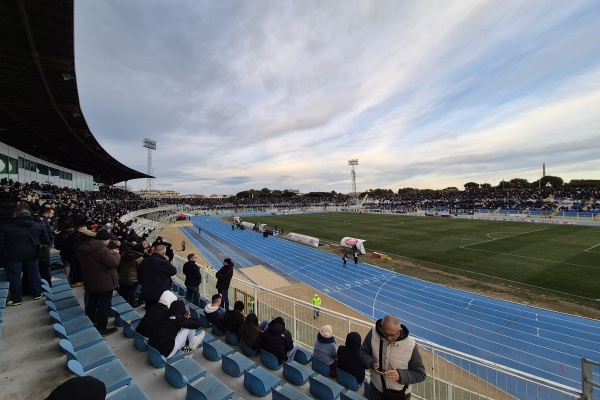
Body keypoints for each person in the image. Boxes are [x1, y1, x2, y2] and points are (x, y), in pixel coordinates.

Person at [359, 315, 426, 400]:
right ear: (381, 327)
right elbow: (362, 351)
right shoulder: (373, 333)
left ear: (400, 330)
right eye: (385, 334)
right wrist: (372, 363)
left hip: (399, 395)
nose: (389, 338)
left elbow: (421, 374)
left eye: (393, 335)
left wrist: (400, 375)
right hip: (376, 390)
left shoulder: (410, 344)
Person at [0, 208, 50, 306]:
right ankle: (37, 293)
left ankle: (16, 298)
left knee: (15, 277)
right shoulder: (39, 226)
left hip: (12, 256)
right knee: (34, 273)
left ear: (16, 216)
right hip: (33, 254)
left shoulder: (6, 228)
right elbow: (46, 241)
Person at [77, 229, 121, 336]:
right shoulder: (102, 250)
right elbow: (114, 263)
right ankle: (101, 328)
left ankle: (90, 322)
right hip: (104, 283)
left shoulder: (83, 248)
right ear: (105, 240)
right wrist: (116, 254)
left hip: (90, 280)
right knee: (103, 306)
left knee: (91, 303)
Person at [138, 244, 177, 310]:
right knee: (159, 314)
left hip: (147, 291)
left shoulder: (144, 261)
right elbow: (173, 271)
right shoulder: (163, 262)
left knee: (149, 312)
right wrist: (167, 261)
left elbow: (139, 276)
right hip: (160, 294)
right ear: (164, 253)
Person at [118, 242, 146, 307]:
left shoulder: (124, 254)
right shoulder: (139, 258)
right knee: (132, 292)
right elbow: (141, 268)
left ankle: (123, 302)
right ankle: (132, 303)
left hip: (122, 276)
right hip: (133, 279)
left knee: (124, 291)